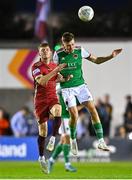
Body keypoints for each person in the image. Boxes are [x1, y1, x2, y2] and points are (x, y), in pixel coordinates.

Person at [53, 32, 122, 155]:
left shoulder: (80, 51)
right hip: (66, 88)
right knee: (74, 115)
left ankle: (101, 141)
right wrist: (62, 78)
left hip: (81, 86)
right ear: (63, 44)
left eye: (72, 44)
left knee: (92, 109)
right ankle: (73, 139)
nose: (71, 47)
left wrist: (111, 56)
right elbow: (53, 75)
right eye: (68, 45)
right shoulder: (58, 55)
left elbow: (97, 60)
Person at [31, 42, 71, 174]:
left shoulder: (54, 65)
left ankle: (53, 138)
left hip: (52, 97)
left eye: (47, 50)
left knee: (58, 110)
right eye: (42, 50)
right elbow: (42, 81)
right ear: (39, 52)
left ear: (50, 52)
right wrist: (56, 71)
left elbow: (56, 79)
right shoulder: (36, 67)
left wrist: (65, 79)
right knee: (42, 131)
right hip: (40, 101)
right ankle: (41, 157)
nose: (45, 52)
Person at [48, 84, 80, 173]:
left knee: (63, 141)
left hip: (69, 117)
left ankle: (51, 160)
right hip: (63, 117)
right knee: (66, 138)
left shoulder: (69, 87)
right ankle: (67, 164)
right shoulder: (59, 87)